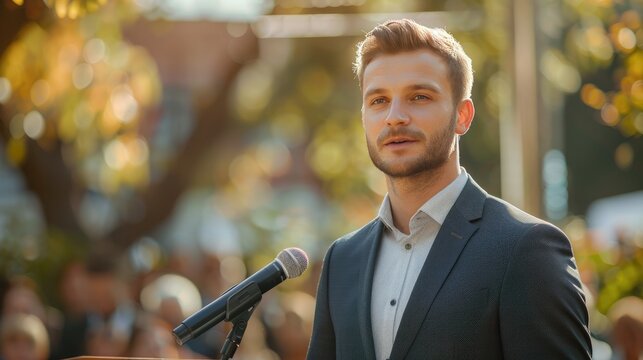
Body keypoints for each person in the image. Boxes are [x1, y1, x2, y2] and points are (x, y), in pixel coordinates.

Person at [306, 19, 592, 359]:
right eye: (379, 101)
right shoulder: (343, 260)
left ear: (463, 116)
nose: (395, 117)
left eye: (419, 96)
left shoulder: (526, 249)